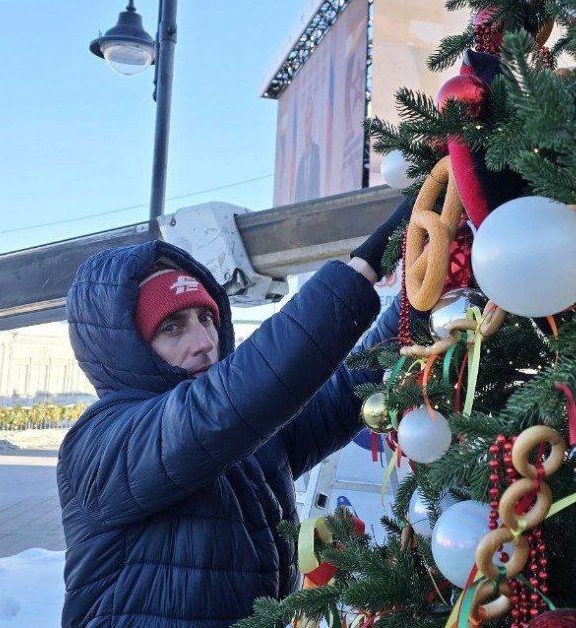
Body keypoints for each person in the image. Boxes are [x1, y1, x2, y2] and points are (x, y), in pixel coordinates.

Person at [57, 197, 414, 628]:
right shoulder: (101, 442)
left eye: (206, 317)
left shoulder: (249, 433)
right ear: (124, 347)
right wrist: (365, 267)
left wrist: (420, 301)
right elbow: (222, 407)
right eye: (172, 327)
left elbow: (344, 391)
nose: (204, 341)